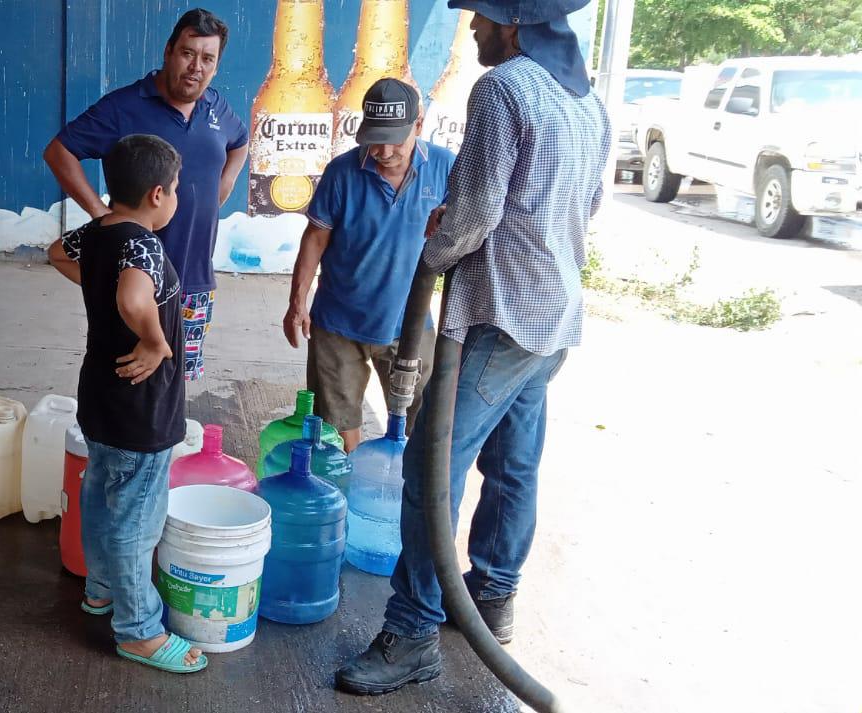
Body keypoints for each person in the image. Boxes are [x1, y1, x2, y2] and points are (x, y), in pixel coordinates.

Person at [335, 0, 610, 695]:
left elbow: (479, 211)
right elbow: (590, 203)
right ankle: (491, 597)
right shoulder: (587, 101)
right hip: (554, 318)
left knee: (432, 468)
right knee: (514, 465)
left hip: (501, 312)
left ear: (513, 22)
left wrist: (438, 243)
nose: (475, 29)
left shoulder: (503, 87)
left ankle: (414, 629)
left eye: (482, 18)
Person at [46, 135, 205, 674]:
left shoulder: (99, 230)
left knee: (101, 492)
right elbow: (133, 298)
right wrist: (156, 341)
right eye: (177, 189)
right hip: (140, 407)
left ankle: (101, 589)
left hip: (99, 394)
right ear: (158, 193)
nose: (178, 197)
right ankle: (138, 631)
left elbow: (56, 254)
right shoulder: (142, 243)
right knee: (137, 519)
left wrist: (99, 281)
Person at [44, 8, 248, 382]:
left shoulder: (216, 108)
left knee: (178, 384)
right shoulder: (123, 108)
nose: (196, 67)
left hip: (196, 283)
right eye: (188, 53)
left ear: (216, 66)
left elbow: (240, 141)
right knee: (132, 382)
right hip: (138, 279)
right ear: (169, 51)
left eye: (208, 59)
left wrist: (224, 185)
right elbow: (59, 152)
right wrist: (99, 214)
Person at [282, 79, 449, 452]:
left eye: (395, 139)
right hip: (338, 324)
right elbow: (315, 238)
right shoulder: (342, 172)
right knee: (337, 431)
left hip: (410, 323)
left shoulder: (444, 168)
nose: (383, 150)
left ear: (418, 126)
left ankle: (402, 505)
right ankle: (347, 500)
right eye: (374, 138)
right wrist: (297, 303)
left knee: (422, 426)